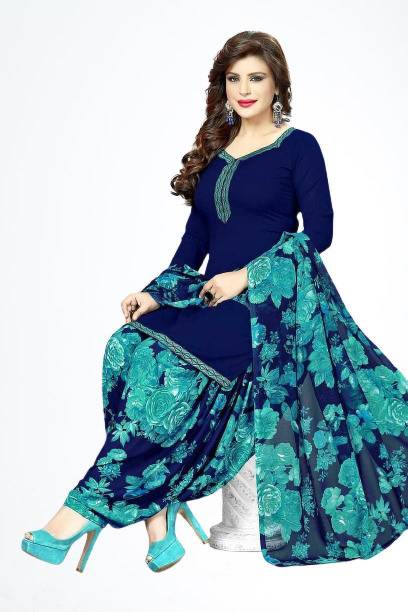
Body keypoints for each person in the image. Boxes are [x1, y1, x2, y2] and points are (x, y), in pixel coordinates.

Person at [21, 30, 408, 571]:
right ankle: (158, 514)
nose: (244, 89)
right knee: (129, 347)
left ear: (277, 86)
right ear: (223, 87)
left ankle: (77, 514)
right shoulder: (216, 154)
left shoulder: (299, 147)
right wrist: (153, 294)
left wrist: (244, 278)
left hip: (269, 307)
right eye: (234, 79)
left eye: (256, 78)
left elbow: (318, 235)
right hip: (213, 299)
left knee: (168, 368)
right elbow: (195, 241)